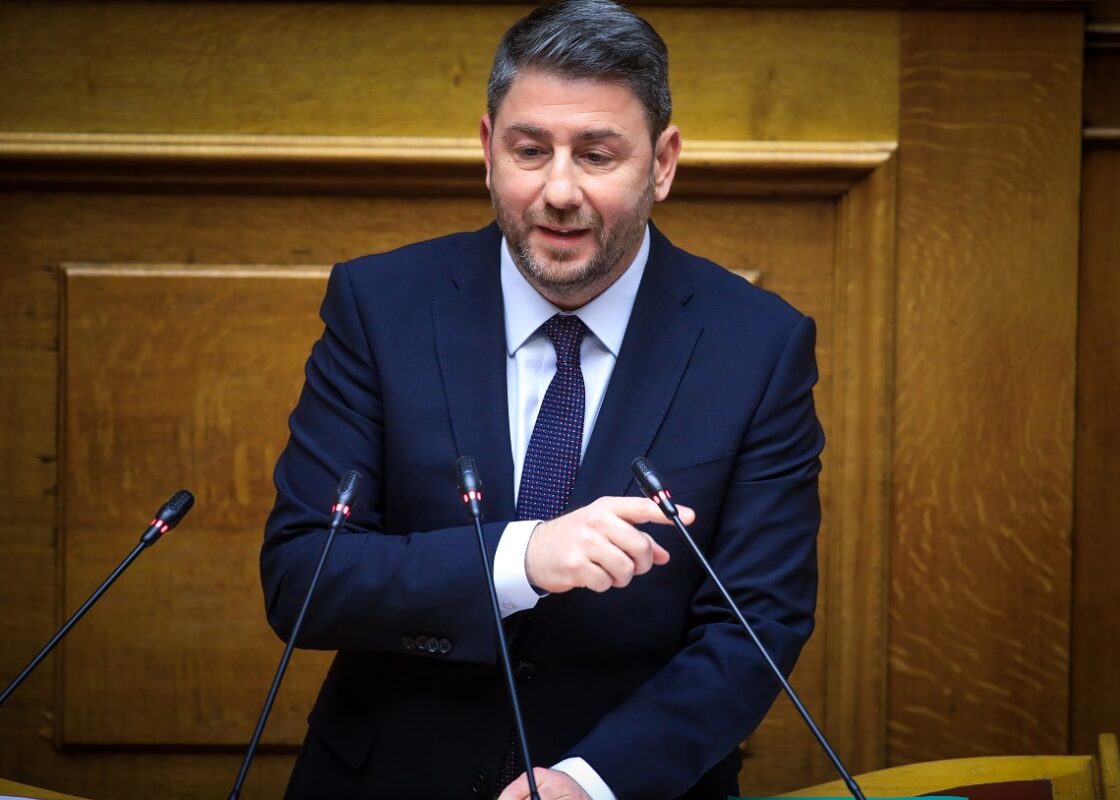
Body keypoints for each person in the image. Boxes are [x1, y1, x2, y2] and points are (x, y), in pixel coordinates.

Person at [261, 1, 823, 798]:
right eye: (530, 151)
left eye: (596, 155)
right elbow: (302, 576)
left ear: (662, 163)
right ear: (489, 151)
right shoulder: (380, 306)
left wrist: (592, 782)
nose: (559, 191)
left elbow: (755, 626)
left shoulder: (758, 346)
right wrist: (518, 559)